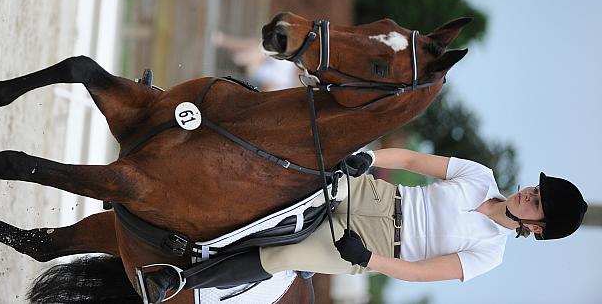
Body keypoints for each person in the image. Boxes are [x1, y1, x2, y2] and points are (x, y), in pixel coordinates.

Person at [142, 148, 588, 303]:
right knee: (298, 175)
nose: (529, 193)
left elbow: (418, 272)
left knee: (286, 254)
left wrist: (367, 259)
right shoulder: (481, 175)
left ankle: (178, 279)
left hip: (376, 245)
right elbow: (412, 161)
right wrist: (370, 158)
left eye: (538, 202)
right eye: (536, 187)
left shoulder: (490, 254)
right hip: (375, 196)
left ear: (539, 228)